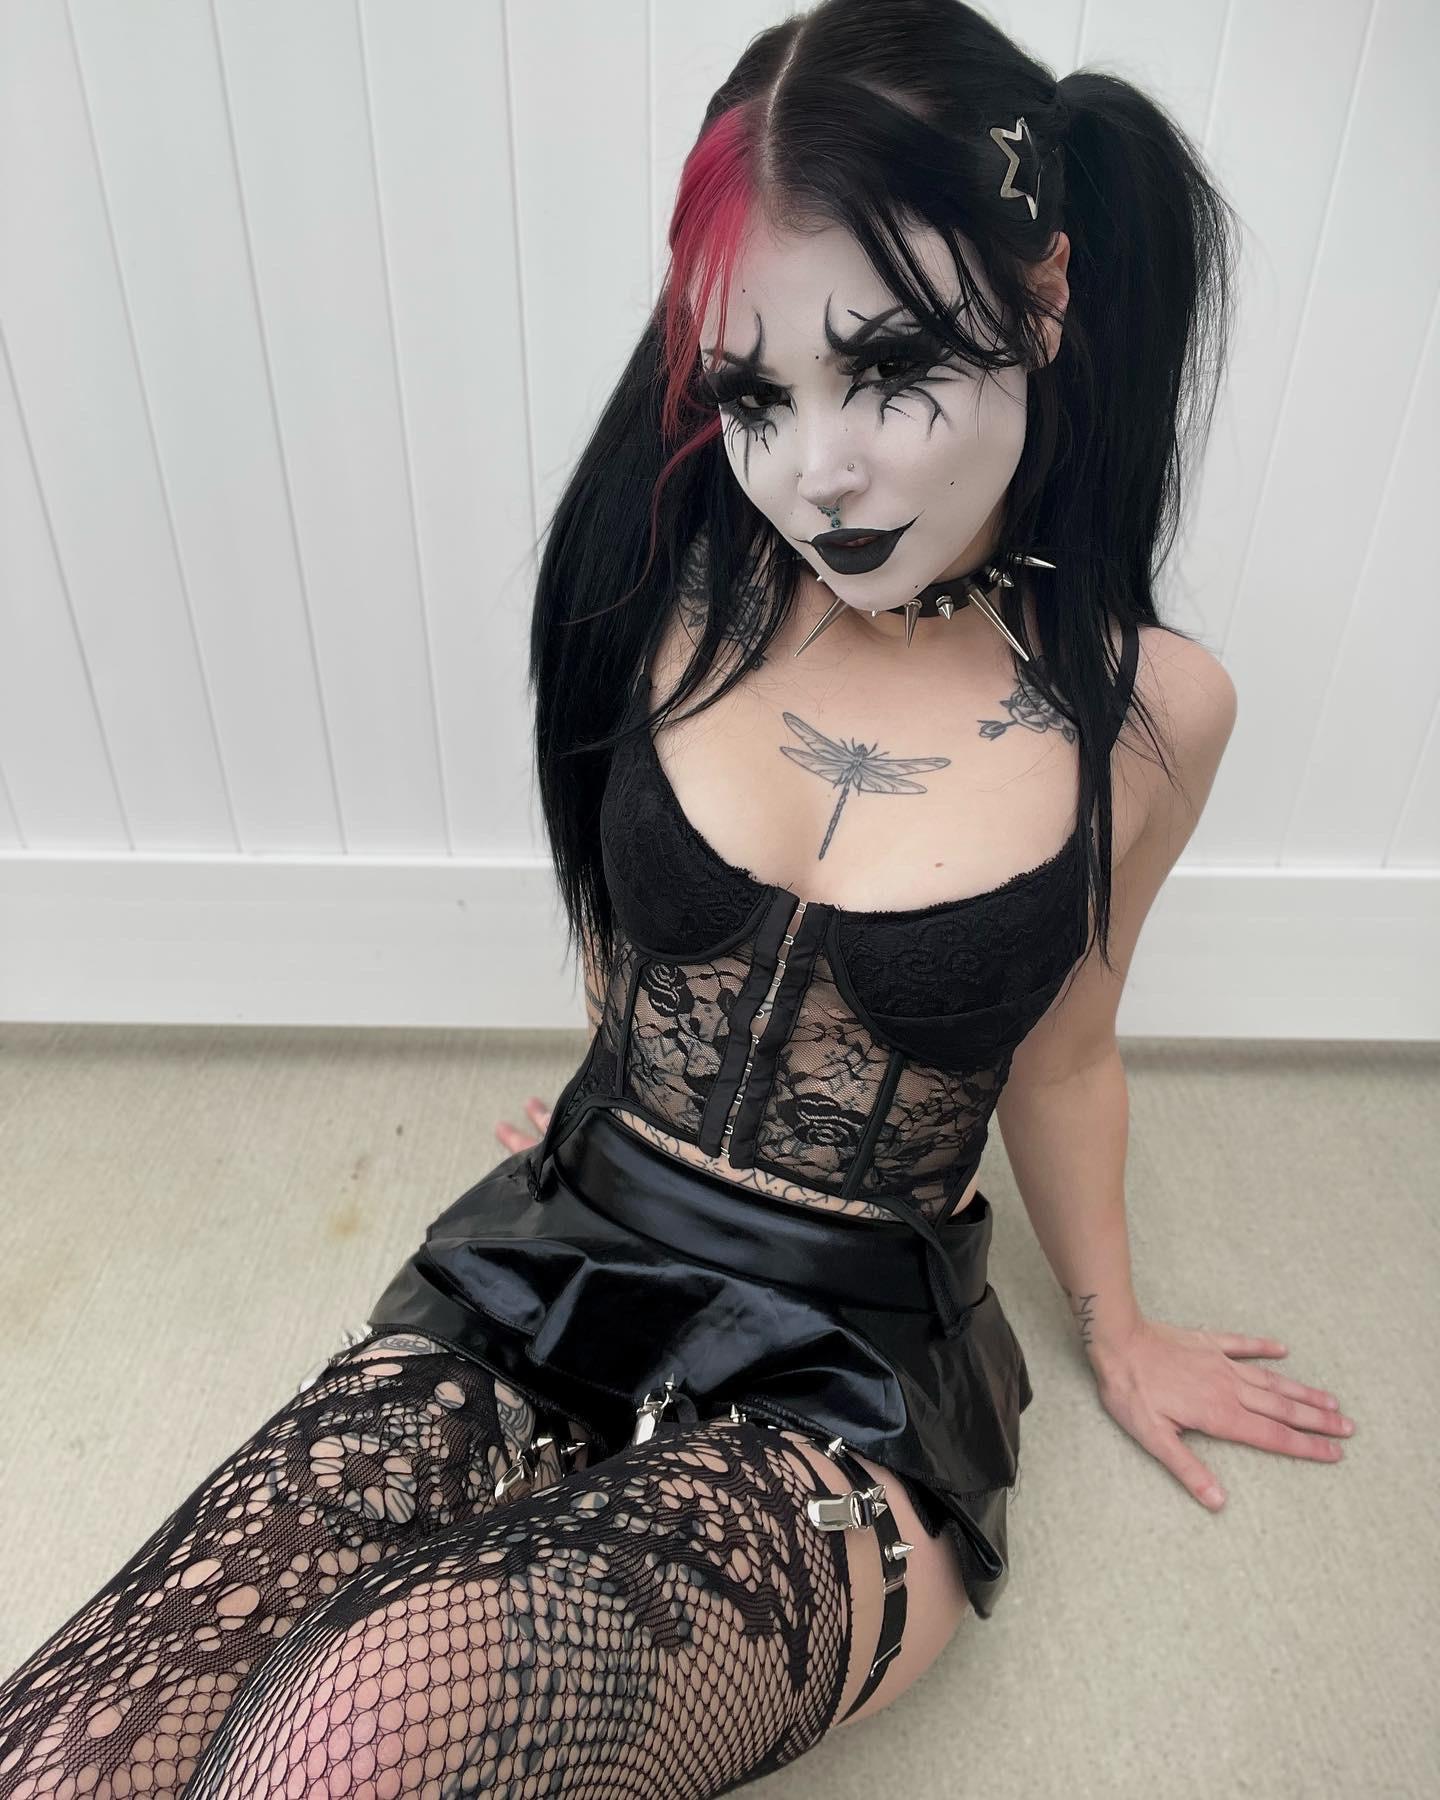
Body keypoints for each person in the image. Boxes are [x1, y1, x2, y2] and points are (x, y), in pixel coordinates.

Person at [0, 1, 1356, 1794]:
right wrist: (619, 1092)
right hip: (557, 1254)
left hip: (852, 1370)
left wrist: (1117, 1324)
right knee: (70, 1751)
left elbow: (1069, 1049)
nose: (815, 472)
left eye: (888, 369)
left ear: (1046, 298)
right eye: (754, 395)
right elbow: (622, 902)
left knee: (344, 1738)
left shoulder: (1150, 711)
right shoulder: (663, 582)